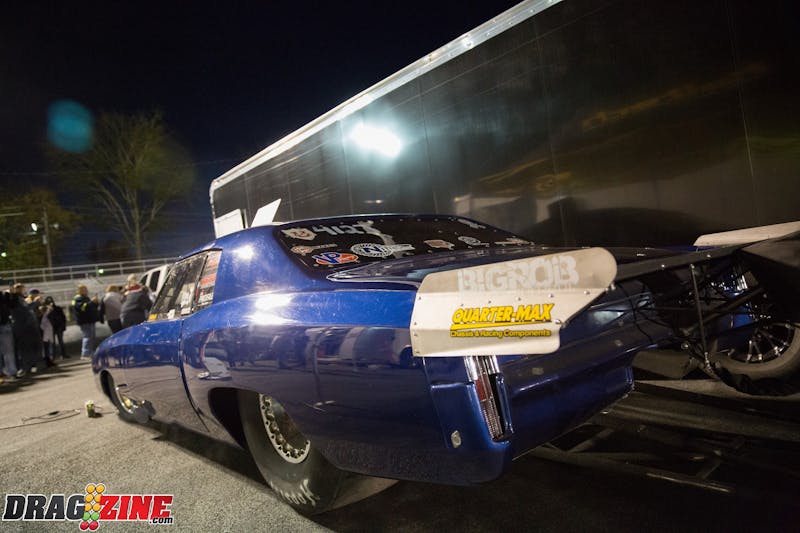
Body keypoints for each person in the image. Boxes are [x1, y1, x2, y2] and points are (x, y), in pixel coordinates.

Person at [10, 283, 43, 375]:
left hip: (28, 326)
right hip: (23, 327)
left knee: (31, 347)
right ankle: (25, 367)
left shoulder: (21, 299)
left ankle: (31, 365)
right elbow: (26, 309)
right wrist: (35, 302)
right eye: (23, 289)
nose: (24, 291)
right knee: (24, 348)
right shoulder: (16, 299)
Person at [72, 284, 99, 358]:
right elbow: (82, 308)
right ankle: (85, 354)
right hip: (85, 321)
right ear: (79, 290)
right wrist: (92, 302)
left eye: (86, 289)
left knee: (91, 337)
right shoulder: (77, 298)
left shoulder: (85, 297)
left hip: (90, 320)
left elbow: (90, 307)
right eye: (83, 289)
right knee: (87, 337)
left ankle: (90, 352)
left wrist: (95, 303)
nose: (86, 291)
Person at [0, 288, 18, 381]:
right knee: (7, 351)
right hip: (4, 325)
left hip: (4, 325)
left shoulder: (3, 296)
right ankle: (5, 373)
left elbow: (13, 305)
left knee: (8, 351)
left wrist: (13, 294)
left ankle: (11, 372)